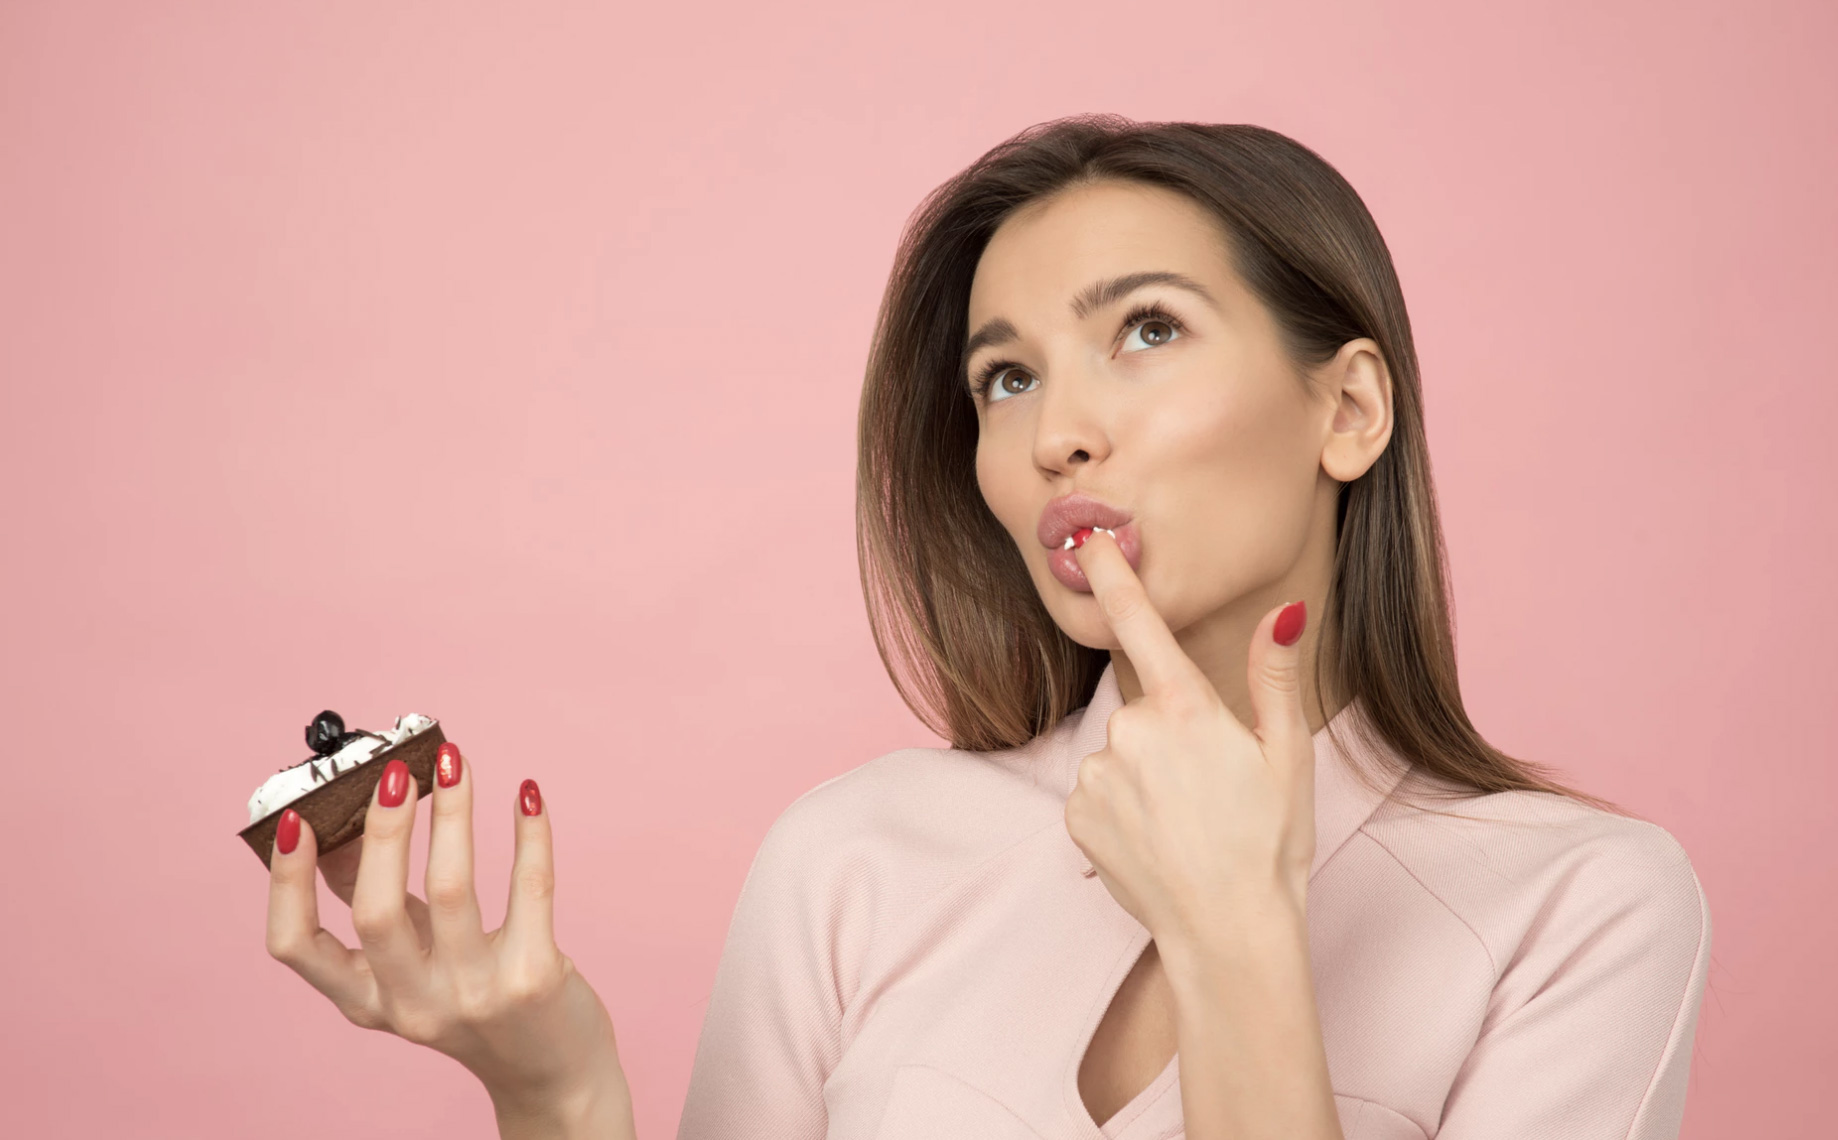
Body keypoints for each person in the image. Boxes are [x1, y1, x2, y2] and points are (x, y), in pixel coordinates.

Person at [263, 116, 1711, 1140]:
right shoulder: (858, 855)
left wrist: (1235, 940)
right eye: (1004, 379)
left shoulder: (1580, 909)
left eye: (1144, 330)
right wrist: (556, 1094)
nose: (1054, 436)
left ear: (1346, 410)